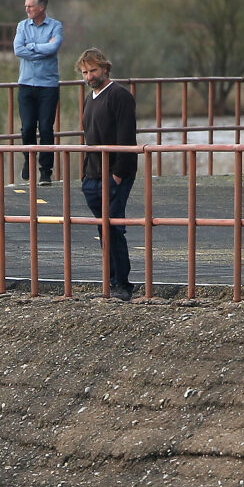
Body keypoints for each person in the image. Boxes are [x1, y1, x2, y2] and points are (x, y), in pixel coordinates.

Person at [76, 48, 137, 301]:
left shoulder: (119, 95)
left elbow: (126, 136)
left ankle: (121, 284)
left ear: (105, 68)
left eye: (93, 70)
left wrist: (118, 174)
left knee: (113, 228)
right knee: (104, 230)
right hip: (92, 175)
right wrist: (85, 176)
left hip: (113, 174)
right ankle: (111, 282)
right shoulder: (90, 98)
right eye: (85, 72)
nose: (89, 76)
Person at [12, 0, 64, 185]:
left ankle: (45, 171)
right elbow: (18, 49)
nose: (26, 9)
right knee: (27, 128)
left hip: (48, 86)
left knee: (46, 128)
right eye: (26, 5)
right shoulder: (22, 26)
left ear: (41, 7)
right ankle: (28, 160)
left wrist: (31, 46)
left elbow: (54, 47)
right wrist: (41, 48)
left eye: (30, 6)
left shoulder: (55, 26)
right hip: (26, 84)